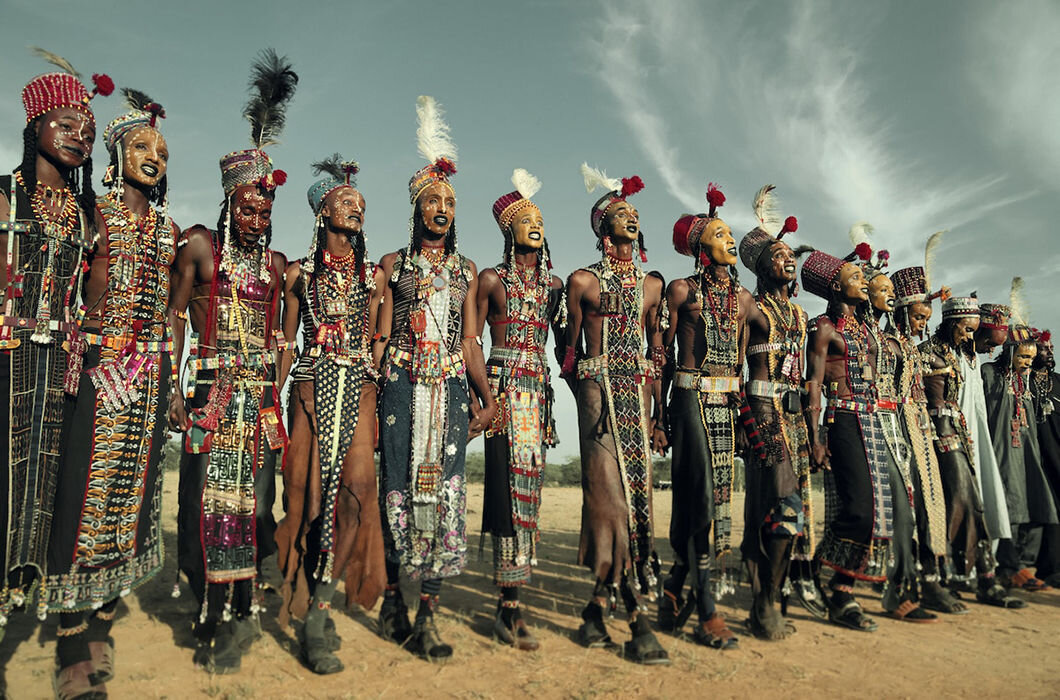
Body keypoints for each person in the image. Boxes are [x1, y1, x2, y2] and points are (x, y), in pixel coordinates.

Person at [43, 87, 175, 695]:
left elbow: (170, 314)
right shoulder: (89, 212)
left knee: (130, 500)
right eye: (143, 145)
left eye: (164, 151)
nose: (156, 157)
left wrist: (173, 380)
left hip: (148, 378)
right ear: (117, 153)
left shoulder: (169, 229)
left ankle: (102, 622)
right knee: (81, 499)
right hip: (96, 369)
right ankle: (71, 642)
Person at [169, 50, 296, 673]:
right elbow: (172, 316)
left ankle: (244, 601)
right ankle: (207, 602)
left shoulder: (275, 267)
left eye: (264, 211)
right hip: (211, 394)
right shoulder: (198, 245)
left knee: (255, 501)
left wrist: (277, 396)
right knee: (202, 500)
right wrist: (172, 381)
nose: (256, 219)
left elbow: (279, 338)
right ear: (227, 205)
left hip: (260, 404)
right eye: (246, 209)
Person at [0, 49, 111, 696]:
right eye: (67, 122)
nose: (79, 135)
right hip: (9, 361)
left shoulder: (87, 216)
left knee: (63, 499)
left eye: (88, 131)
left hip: (66, 371)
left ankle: (71, 646)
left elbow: (95, 300)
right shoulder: (5, 194)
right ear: (36, 124)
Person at [375, 96, 497, 661]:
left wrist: (486, 395)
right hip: (400, 386)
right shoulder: (392, 265)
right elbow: (377, 340)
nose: (441, 208)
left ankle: (428, 614)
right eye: (432, 200)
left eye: (449, 201)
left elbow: (470, 340)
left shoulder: (467, 270)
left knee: (444, 493)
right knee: (396, 489)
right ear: (416, 209)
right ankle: (394, 600)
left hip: (447, 390)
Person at [274, 155, 386, 674]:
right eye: (345, 201)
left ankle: (324, 600)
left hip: (360, 393)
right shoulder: (298, 274)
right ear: (322, 210)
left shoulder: (376, 277)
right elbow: (285, 341)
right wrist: (269, 404)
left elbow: (380, 343)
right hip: (311, 390)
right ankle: (306, 607)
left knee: (357, 494)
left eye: (360, 203)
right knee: (308, 494)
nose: (355, 208)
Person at [558, 163, 669, 665]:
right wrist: (587, 391)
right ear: (605, 230)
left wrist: (658, 414)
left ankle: (595, 611)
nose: (631, 217)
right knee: (609, 502)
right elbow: (567, 351)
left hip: (637, 402)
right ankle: (637, 618)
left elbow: (659, 351)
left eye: (634, 213)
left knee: (637, 500)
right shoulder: (581, 282)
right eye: (620, 213)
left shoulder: (652, 286)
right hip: (598, 399)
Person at [658, 183, 750, 649]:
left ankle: (675, 586)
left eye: (730, 232)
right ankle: (708, 612)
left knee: (716, 500)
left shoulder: (745, 299)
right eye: (719, 233)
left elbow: (753, 358)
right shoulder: (681, 291)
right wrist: (659, 417)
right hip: (690, 399)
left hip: (726, 405)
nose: (729, 238)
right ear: (699, 246)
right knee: (701, 497)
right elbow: (662, 357)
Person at [474, 168, 562, 650]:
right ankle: (506, 608)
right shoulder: (491, 279)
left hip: (538, 393)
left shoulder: (553, 284)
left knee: (530, 495)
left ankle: (516, 600)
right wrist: (483, 398)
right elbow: (470, 338)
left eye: (540, 217)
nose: (535, 223)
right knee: (507, 495)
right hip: (505, 389)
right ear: (508, 229)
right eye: (525, 217)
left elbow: (566, 342)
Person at [737, 185, 815, 639]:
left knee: (789, 512)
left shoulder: (800, 315)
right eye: (779, 254)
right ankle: (764, 602)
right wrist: (751, 423)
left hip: (794, 419)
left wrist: (811, 427)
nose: (788, 259)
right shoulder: (753, 308)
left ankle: (771, 596)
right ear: (761, 265)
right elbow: (740, 363)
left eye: (791, 254)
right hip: (765, 416)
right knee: (781, 508)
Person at [801, 244, 889, 632]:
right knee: (859, 507)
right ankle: (831, 582)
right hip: (842, 419)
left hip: (874, 421)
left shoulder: (867, 327)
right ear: (835, 288)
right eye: (855, 278)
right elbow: (814, 382)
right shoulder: (823, 328)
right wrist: (816, 436)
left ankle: (835, 581)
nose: (864, 282)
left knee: (880, 509)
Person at [920, 296, 1024, 607]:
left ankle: (984, 578)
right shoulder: (930, 352)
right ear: (951, 324)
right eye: (966, 330)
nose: (969, 337)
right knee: (956, 504)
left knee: (974, 503)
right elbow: (934, 405)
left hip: (966, 438)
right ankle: (945, 578)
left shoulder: (969, 357)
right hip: (938, 438)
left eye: (973, 331)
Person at [859, 246, 937, 623]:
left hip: (904, 431)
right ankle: (897, 590)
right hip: (870, 424)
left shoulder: (899, 342)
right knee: (898, 513)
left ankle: (910, 583)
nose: (887, 296)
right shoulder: (865, 335)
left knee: (913, 508)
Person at [889, 238, 963, 614]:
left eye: (926, 318)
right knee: (906, 510)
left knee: (933, 504)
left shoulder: (913, 349)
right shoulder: (889, 343)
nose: (922, 324)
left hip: (922, 432)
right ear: (902, 314)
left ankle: (933, 581)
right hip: (897, 433)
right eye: (918, 317)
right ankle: (903, 587)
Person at [982, 282, 1058, 592]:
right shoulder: (989, 374)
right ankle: (1008, 567)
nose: (1027, 362)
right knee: (1009, 505)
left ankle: (1026, 564)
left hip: (1028, 451)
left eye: (1030, 358)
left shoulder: (1026, 384)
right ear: (1010, 351)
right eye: (1022, 357)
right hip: (1000, 450)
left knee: (1039, 503)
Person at [1030, 329, 1060, 586]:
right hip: (1036, 453)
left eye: (1050, 349)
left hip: (1058, 454)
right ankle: (1046, 568)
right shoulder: (1022, 381)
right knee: (1045, 508)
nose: (1049, 353)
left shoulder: (1059, 382)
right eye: (1043, 349)